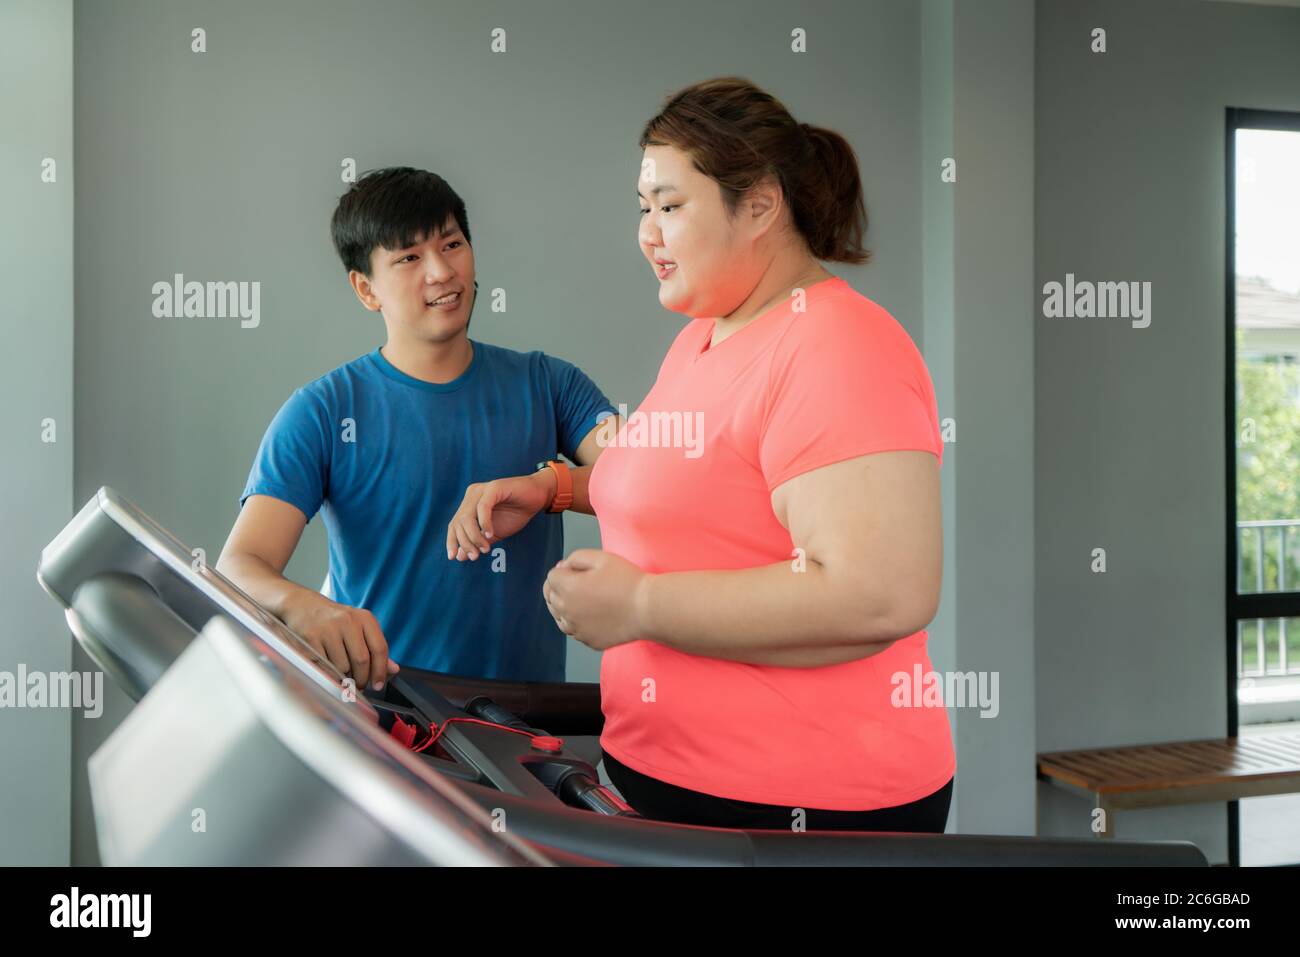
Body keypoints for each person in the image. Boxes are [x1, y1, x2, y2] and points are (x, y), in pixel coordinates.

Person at [466, 77, 954, 831]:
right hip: (663, 774)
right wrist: (558, 488)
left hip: (800, 805)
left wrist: (640, 605)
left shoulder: (839, 346)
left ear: (759, 204)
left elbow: (880, 592)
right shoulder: (705, 335)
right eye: (642, 208)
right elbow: (696, 489)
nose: (646, 232)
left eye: (669, 205)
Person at [216, 167, 617, 691]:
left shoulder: (550, 384)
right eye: (408, 258)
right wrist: (302, 606)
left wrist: (550, 487)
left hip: (532, 733)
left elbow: (643, 482)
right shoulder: (322, 410)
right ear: (365, 289)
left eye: (451, 244)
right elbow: (239, 565)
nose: (440, 272)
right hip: (388, 724)